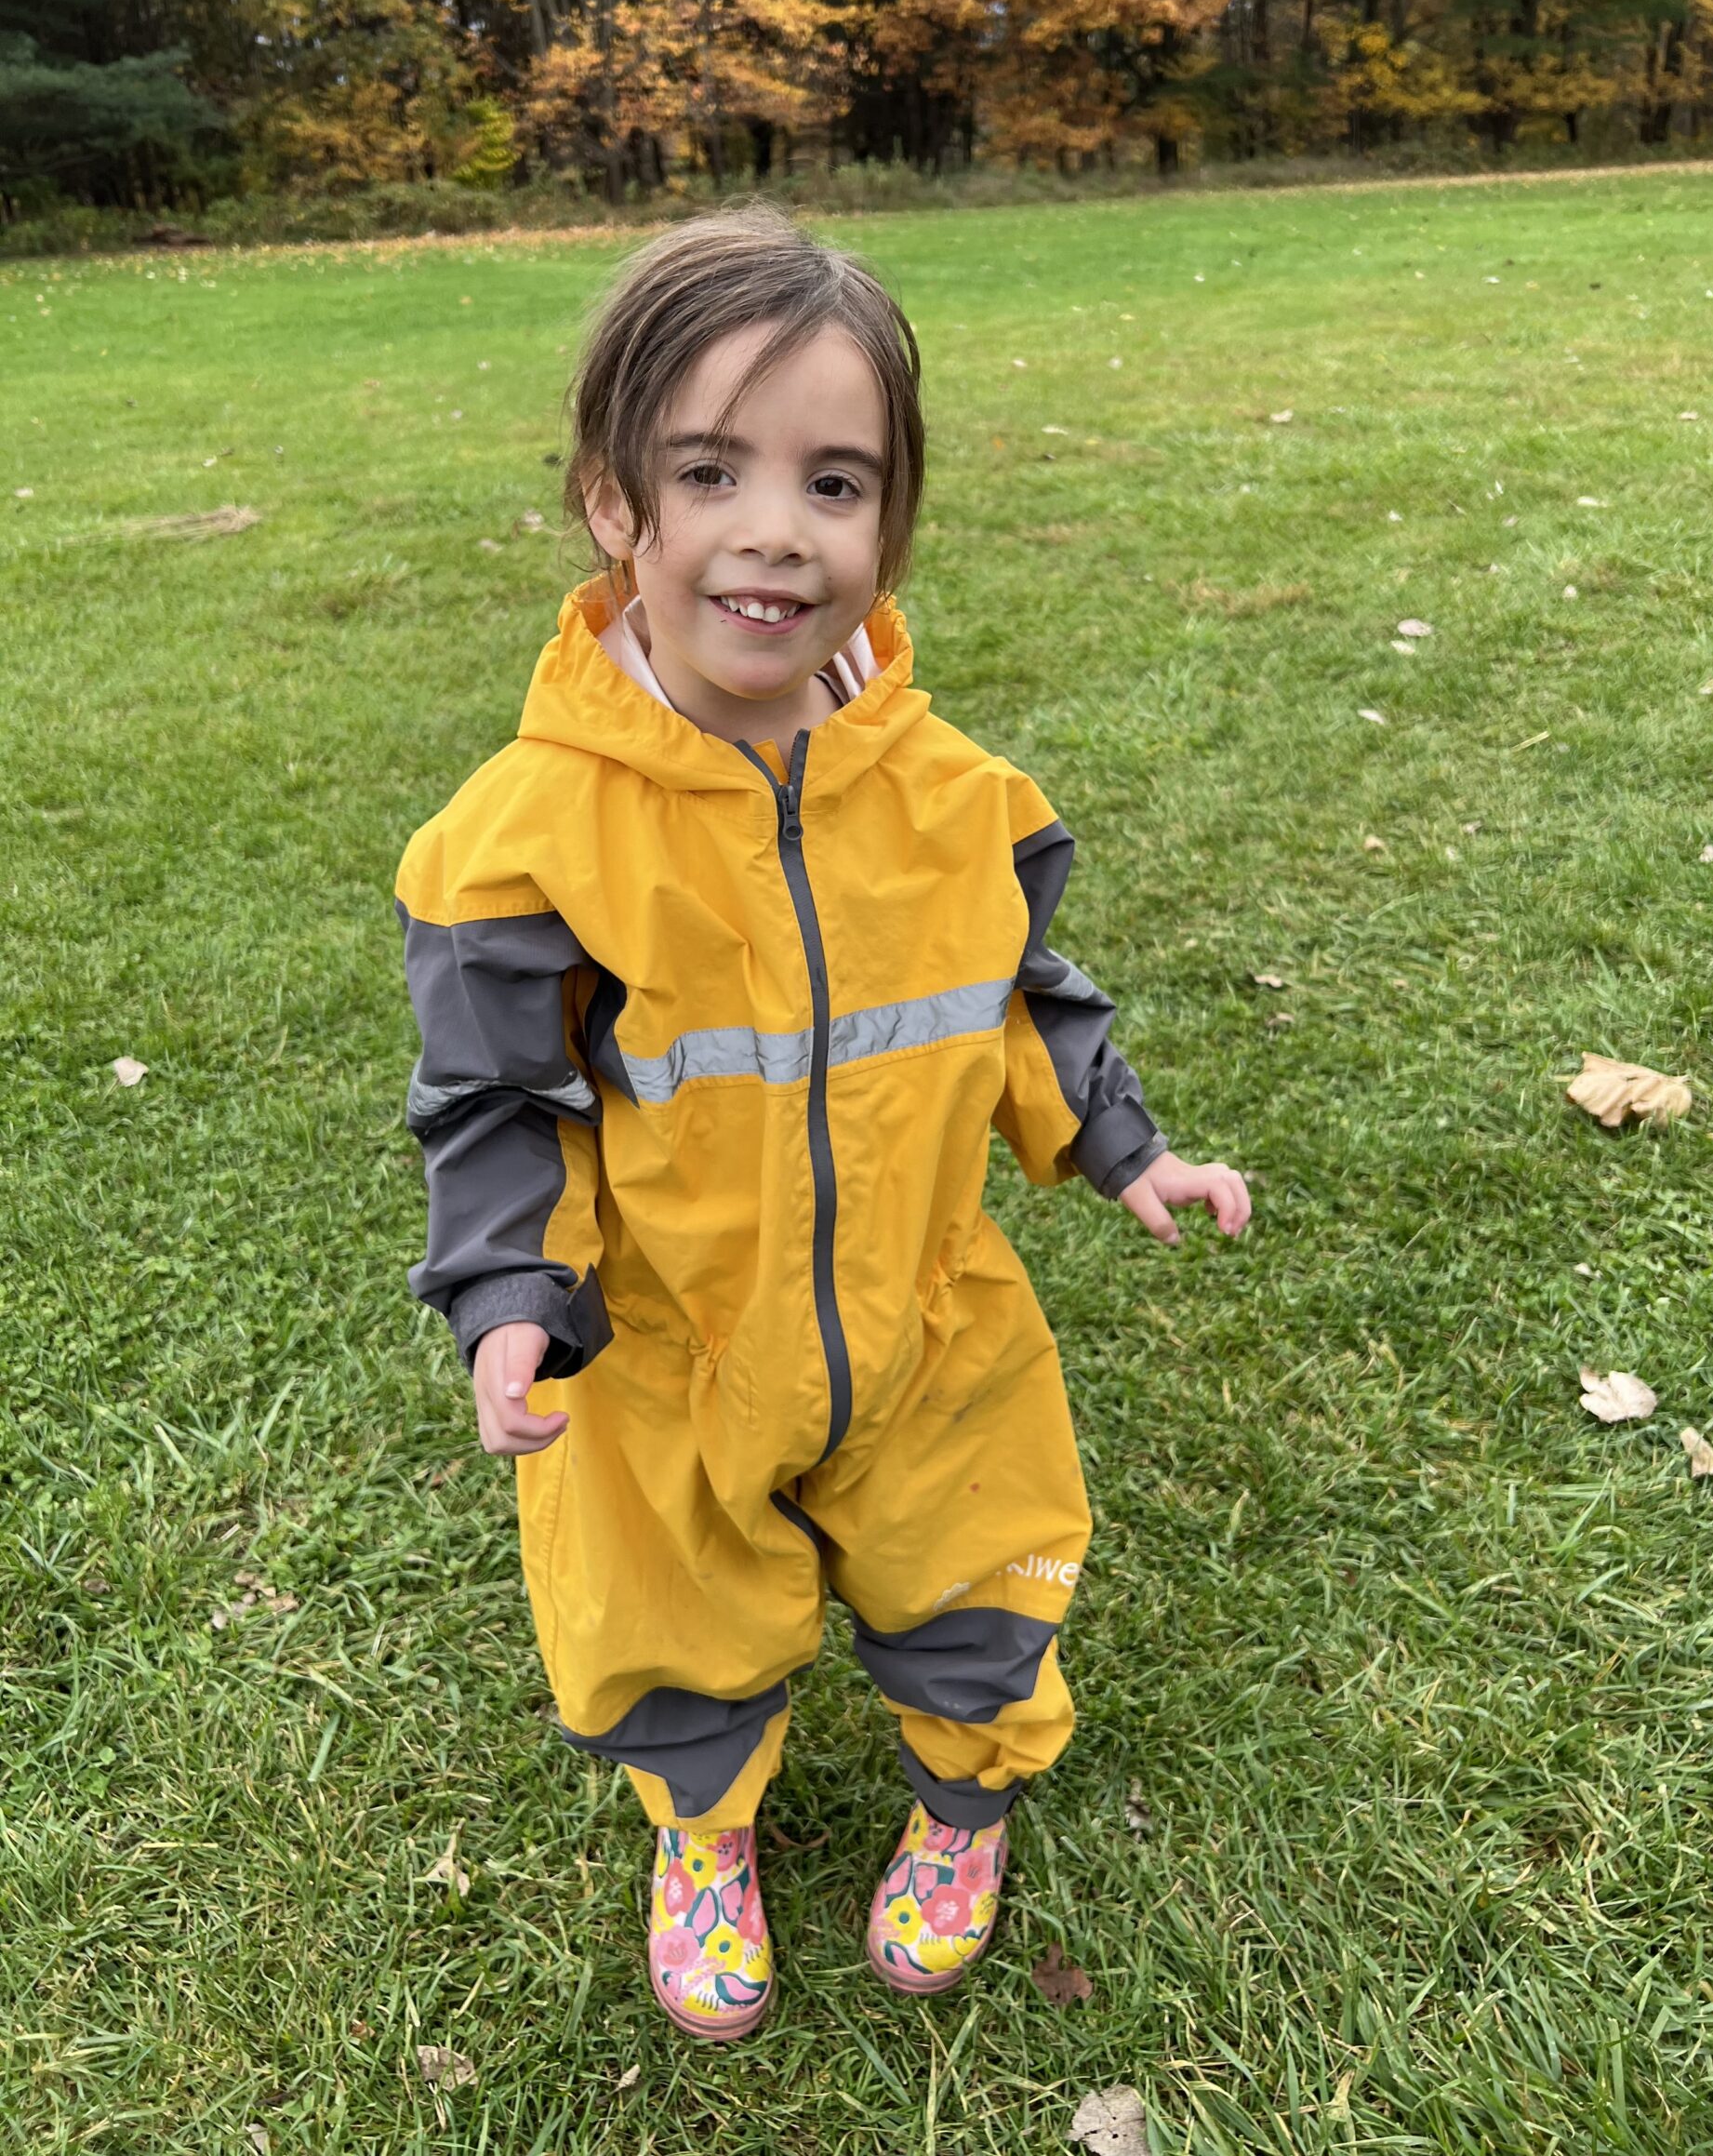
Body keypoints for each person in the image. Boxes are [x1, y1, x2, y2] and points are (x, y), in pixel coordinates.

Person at [394, 202, 1250, 2042]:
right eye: (713, 470)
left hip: (927, 1312)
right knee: (671, 1610)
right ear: (616, 504)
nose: (778, 528)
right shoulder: (525, 835)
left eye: (836, 482)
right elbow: (494, 1095)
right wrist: (509, 1297)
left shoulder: (950, 791)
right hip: (670, 1350)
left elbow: (1018, 987)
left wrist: (1126, 1144)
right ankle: (704, 1829)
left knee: (976, 1569)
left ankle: (965, 1807)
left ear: (892, 523)